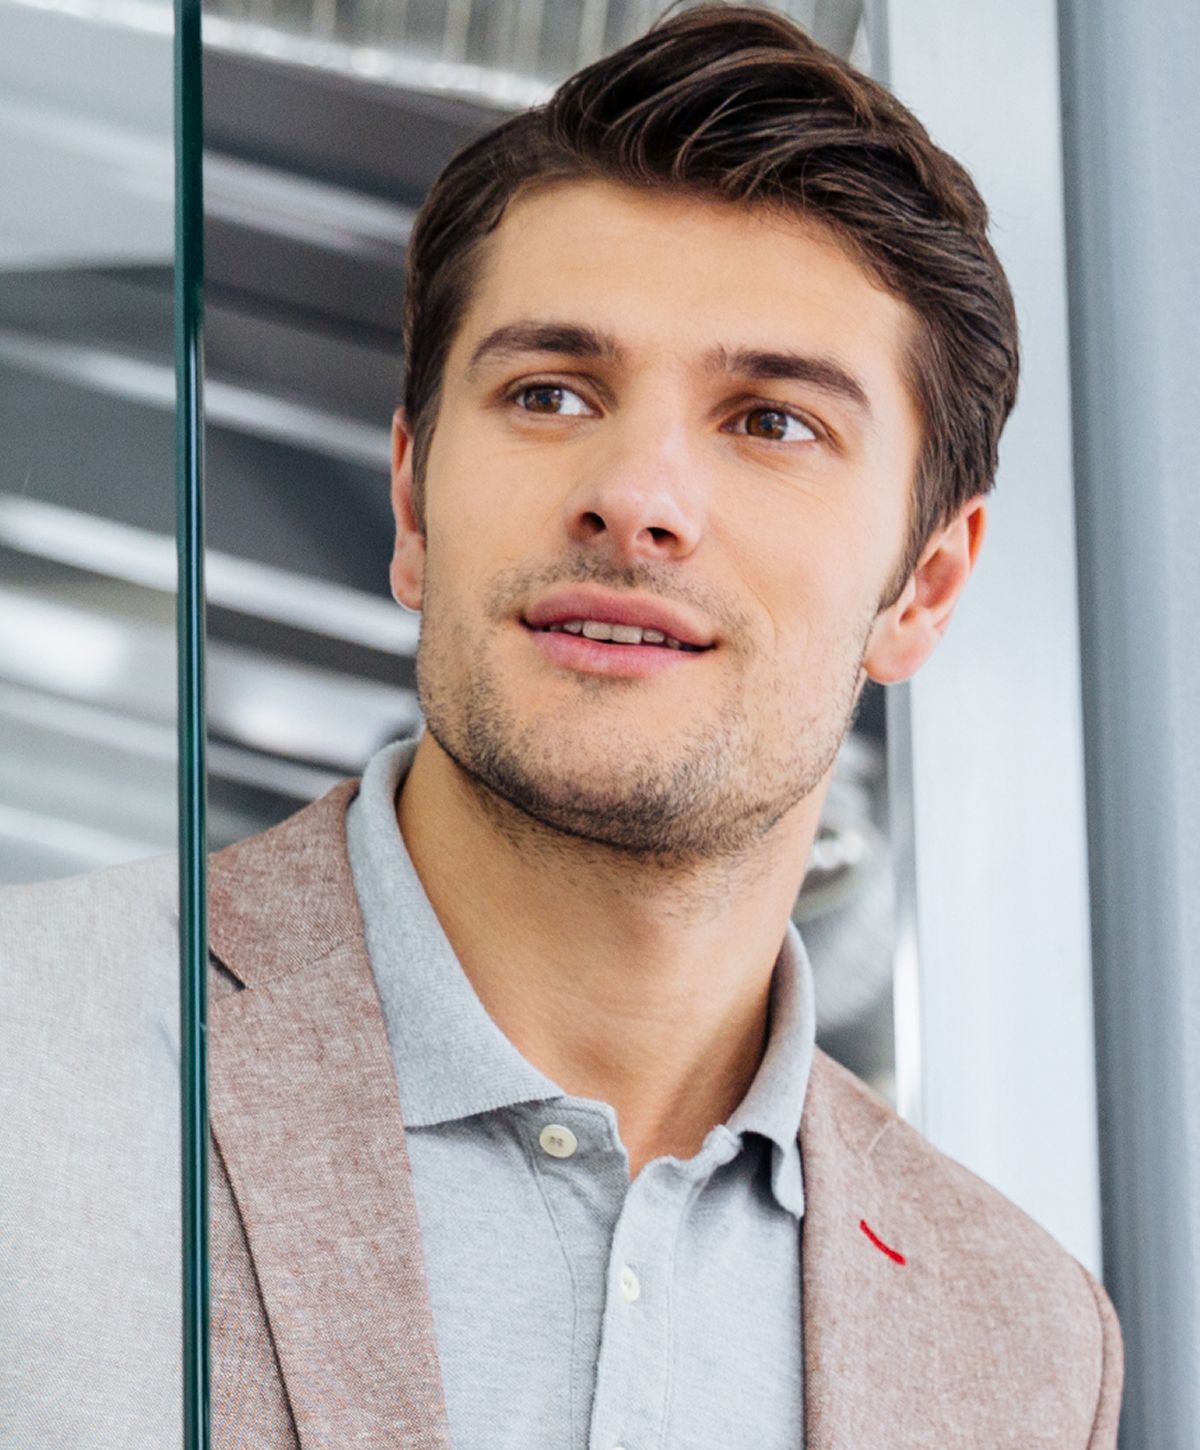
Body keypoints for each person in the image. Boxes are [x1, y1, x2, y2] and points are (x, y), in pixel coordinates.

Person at [0, 4, 1122, 1447]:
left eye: (771, 420)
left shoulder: (1021, 1343)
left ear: (927, 585)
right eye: (551, 391)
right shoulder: (33, 1049)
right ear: (413, 502)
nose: (637, 492)